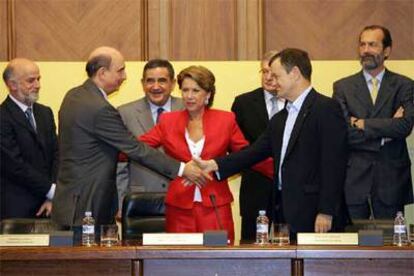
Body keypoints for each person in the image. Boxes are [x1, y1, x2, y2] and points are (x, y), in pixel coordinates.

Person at [195, 48, 348, 237]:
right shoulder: (281, 118)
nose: (272, 82)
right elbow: (254, 152)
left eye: (276, 76)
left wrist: (326, 211)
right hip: (284, 210)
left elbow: (334, 164)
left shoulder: (326, 108)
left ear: (295, 73)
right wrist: (214, 164)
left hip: (315, 213)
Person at [52, 46, 209, 227]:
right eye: (120, 70)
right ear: (102, 73)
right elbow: (135, 148)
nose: (125, 76)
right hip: (89, 201)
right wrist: (182, 169)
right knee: (90, 254)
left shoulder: (74, 96)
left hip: (72, 199)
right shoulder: (100, 109)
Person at [138, 65, 273, 242]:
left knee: (218, 261)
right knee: (179, 262)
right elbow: (138, 148)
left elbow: (246, 155)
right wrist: (110, 150)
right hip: (179, 208)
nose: (189, 96)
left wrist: (281, 170)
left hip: (215, 207)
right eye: (185, 90)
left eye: (195, 90)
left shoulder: (225, 120)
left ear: (208, 94)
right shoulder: (168, 121)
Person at [333, 25, 414, 220]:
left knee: (391, 245)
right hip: (354, 180)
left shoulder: (405, 85)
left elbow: (404, 127)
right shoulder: (342, 87)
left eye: (372, 44)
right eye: (362, 45)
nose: (366, 50)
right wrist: (385, 133)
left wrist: (362, 124)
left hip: (391, 180)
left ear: (386, 51)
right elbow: (342, 133)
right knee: (353, 246)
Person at [231, 50, 285, 241]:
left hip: (289, 189)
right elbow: (235, 145)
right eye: (264, 72)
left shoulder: (296, 102)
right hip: (255, 187)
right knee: (250, 246)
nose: (268, 78)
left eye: (273, 73)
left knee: (288, 245)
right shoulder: (243, 103)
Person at [116, 59, 183, 209]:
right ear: (142, 83)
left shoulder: (188, 109)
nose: (155, 87)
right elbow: (120, 164)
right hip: (140, 200)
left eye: (162, 81)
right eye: (150, 81)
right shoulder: (124, 113)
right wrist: (121, 203)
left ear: (172, 84)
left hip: (183, 198)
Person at [1, 58, 58, 219]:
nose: (38, 85)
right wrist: (51, 191)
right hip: (16, 208)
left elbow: (56, 154)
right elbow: (14, 165)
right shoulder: (3, 117)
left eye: (39, 79)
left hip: (49, 205)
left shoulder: (45, 113)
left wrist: (52, 196)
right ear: (12, 85)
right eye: (31, 80)